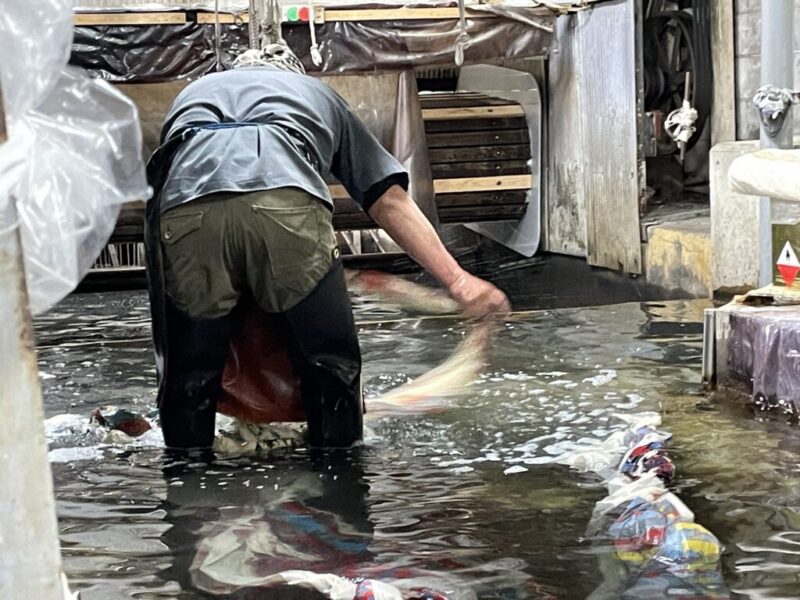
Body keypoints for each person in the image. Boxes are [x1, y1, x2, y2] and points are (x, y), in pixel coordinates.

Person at [144, 43, 510, 451]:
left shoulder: (192, 94)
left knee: (189, 375)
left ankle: (186, 479)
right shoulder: (314, 93)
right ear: (293, 73)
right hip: (286, 203)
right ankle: (338, 479)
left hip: (183, 214)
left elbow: (169, 197)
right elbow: (386, 199)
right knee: (329, 365)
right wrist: (459, 282)